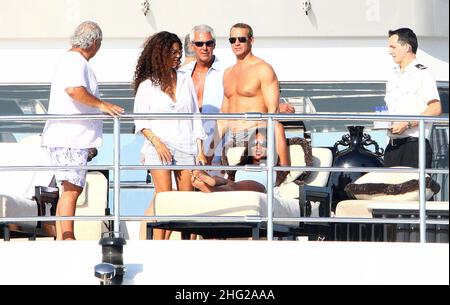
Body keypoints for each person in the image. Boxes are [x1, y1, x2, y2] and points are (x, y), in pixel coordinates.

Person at [41, 21, 124, 240]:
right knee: (71, 189)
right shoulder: (75, 61)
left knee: (69, 189)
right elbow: (74, 90)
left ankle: (63, 237)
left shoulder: (71, 60)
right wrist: (102, 105)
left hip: (68, 137)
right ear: (95, 42)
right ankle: (68, 237)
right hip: (70, 137)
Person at [133, 31, 207, 240]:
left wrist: (200, 151)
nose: (178, 56)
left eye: (179, 52)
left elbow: (195, 116)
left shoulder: (185, 80)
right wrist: (158, 144)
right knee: (164, 199)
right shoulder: (147, 85)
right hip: (159, 147)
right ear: (161, 53)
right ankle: (158, 247)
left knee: (185, 203)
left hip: (186, 146)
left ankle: (182, 248)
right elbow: (141, 122)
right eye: (173, 52)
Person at [219, 23, 290, 167]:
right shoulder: (227, 73)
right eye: (232, 40)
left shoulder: (263, 69)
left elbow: (273, 112)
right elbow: (223, 116)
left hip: (256, 134)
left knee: (278, 128)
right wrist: (209, 148)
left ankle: (283, 171)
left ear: (251, 40)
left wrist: (267, 137)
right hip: (232, 137)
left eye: (241, 39)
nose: (236, 43)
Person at [384, 28, 442, 168]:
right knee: (387, 189)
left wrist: (407, 124)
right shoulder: (393, 76)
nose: (389, 51)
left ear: (407, 47)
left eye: (393, 47)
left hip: (414, 146)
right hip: (392, 147)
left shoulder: (422, 74)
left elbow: (435, 108)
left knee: (413, 189)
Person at [191, 128, 272, 193]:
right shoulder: (243, 164)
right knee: (227, 181)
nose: (258, 147)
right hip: (236, 185)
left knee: (233, 186)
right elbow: (230, 179)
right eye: (254, 143)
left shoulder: (272, 166)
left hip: (258, 187)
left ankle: (212, 189)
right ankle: (210, 180)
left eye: (263, 144)